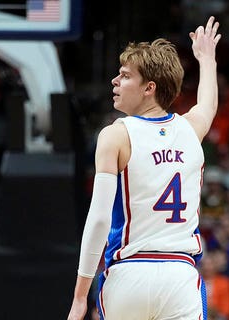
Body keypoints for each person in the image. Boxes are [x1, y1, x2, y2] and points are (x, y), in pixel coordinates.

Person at [68, 16, 221, 320]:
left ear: (149, 87)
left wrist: (79, 296)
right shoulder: (191, 129)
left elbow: (99, 219)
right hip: (180, 277)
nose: (115, 81)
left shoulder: (116, 135)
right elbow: (208, 103)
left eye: (124, 76)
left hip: (130, 273)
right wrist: (207, 58)